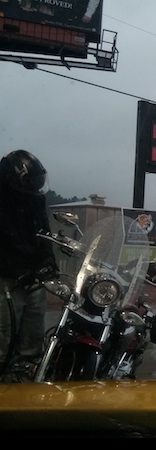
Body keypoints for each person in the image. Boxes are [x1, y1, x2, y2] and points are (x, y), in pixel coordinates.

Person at [0, 149, 58, 368]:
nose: (36, 188)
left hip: (32, 276)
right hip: (6, 278)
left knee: (34, 327)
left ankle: (29, 368)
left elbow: (44, 234)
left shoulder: (35, 201)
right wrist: (14, 270)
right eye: (31, 183)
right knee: (5, 329)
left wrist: (48, 262)